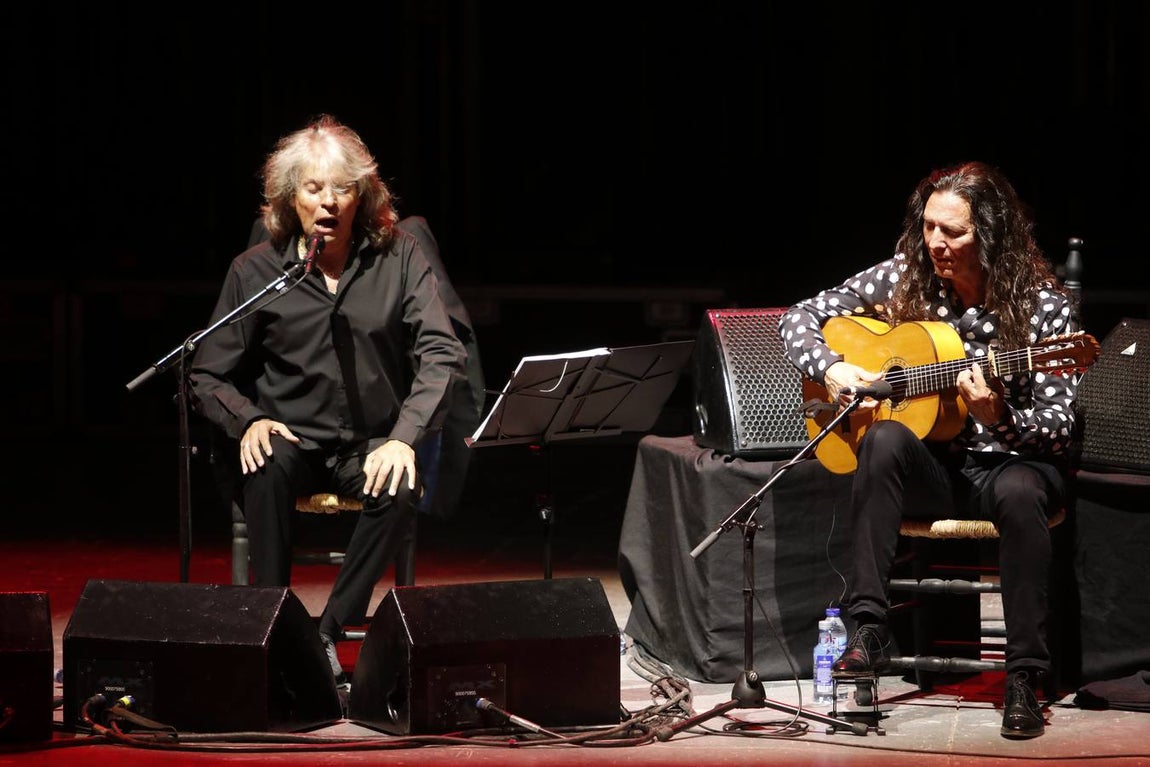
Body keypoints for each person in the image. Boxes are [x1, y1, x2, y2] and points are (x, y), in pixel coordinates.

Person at [778, 161, 1081, 739]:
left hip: (1011, 465)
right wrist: (835, 366)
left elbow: (1060, 428)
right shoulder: (906, 277)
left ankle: (1024, 678)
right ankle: (869, 628)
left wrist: (1002, 417)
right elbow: (800, 316)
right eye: (929, 227)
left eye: (954, 232)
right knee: (885, 436)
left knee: (1021, 491)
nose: (936, 243)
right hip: (938, 468)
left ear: (991, 235)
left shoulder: (1044, 306)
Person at [189, 114, 468, 688]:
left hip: (370, 445)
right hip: (289, 439)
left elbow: (443, 353)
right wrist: (249, 420)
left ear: (361, 195)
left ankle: (323, 634)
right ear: (290, 199)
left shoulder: (401, 256)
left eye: (342, 188)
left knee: (399, 481)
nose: (329, 202)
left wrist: (403, 438)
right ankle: (270, 629)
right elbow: (206, 372)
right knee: (263, 461)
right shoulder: (257, 271)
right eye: (314, 188)